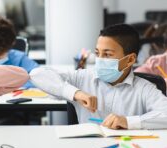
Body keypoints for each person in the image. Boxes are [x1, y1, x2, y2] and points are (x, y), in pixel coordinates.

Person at [30, 23, 167, 131]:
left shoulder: (144, 88)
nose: (100, 59)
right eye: (97, 53)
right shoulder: (82, 78)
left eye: (107, 54)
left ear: (130, 60)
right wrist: (75, 93)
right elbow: (36, 74)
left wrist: (128, 121)